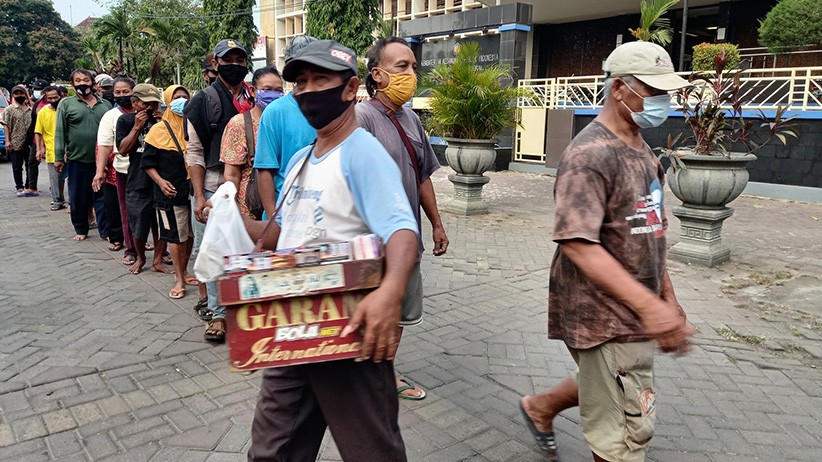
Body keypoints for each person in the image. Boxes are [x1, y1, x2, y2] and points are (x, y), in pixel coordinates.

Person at [242, 39, 418, 462]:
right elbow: (283, 233)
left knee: (372, 451)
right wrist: (233, 221)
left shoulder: (362, 153)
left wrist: (390, 294)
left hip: (349, 327)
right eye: (300, 81)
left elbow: (401, 230)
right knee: (272, 450)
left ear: (350, 87)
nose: (307, 90)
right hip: (293, 326)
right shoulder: (303, 158)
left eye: (320, 78)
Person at [519, 41, 695, 462]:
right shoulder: (589, 155)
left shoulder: (643, 152)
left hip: (632, 308)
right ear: (619, 88)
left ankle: (540, 407)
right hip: (602, 311)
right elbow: (579, 245)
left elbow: (651, 232)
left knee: (608, 380)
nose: (662, 102)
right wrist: (651, 309)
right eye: (653, 92)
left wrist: (668, 299)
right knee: (627, 434)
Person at [356, 37, 450, 401]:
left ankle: (384, 375)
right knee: (372, 310)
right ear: (377, 75)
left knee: (399, 314)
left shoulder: (411, 119)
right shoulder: (361, 119)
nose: (412, 74)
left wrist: (437, 223)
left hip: (408, 241)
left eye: (413, 67)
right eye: (402, 67)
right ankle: (367, 379)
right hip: (371, 245)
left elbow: (422, 174)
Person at [184, 38, 253, 343]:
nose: (235, 65)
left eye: (240, 60)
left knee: (246, 250)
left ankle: (245, 309)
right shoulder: (203, 101)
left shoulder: (254, 97)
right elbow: (195, 152)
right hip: (215, 188)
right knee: (214, 251)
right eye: (229, 60)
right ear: (215, 63)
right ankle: (217, 314)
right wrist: (200, 196)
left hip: (250, 188)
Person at [254, 35, 318, 218]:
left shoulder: (329, 109)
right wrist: (273, 217)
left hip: (321, 213)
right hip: (286, 214)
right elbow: (265, 169)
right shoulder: (275, 112)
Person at [142, 85, 196, 299]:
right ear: (167, 100)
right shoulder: (158, 130)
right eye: (176, 97)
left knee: (190, 234)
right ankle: (179, 279)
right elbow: (147, 163)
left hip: (191, 191)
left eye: (185, 97)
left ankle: (185, 270)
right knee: (175, 237)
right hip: (169, 193)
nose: (181, 101)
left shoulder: (192, 125)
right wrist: (161, 182)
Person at [116, 83, 170, 274]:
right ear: (135, 103)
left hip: (161, 181)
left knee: (162, 225)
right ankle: (140, 257)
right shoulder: (125, 121)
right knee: (138, 226)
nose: (150, 108)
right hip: (137, 181)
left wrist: (164, 123)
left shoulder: (163, 122)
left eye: (154, 104)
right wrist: (137, 128)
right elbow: (122, 150)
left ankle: (157, 260)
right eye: (145, 104)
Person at [54, 69, 112, 240]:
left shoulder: (105, 105)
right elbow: (60, 132)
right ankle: (81, 229)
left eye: (85, 80)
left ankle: (106, 231)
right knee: (79, 196)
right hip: (77, 159)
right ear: (72, 85)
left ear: (93, 83)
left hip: (102, 161)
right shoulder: (66, 104)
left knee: (102, 197)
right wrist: (58, 157)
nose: (82, 83)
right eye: (78, 80)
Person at [221, 66, 284, 219]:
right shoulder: (239, 124)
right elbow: (232, 174)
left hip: (283, 204)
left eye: (278, 90)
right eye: (267, 89)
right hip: (250, 208)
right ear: (253, 91)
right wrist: (233, 210)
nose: (273, 95)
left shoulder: (285, 122)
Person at [94, 76, 137, 261]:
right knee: (123, 209)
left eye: (125, 92)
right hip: (121, 169)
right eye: (117, 92)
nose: (121, 95)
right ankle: (130, 248)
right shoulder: (110, 117)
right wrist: (99, 171)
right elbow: (104, 145)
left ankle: (155, 247)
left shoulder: (147, 112)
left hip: (147, 170)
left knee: (149, 212)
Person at [34, 86, 67, 210]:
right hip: (52, 150)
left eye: (55, 97)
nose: (53, 100)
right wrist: (39, 148)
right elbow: (38, 131)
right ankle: (57, 201)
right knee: (55, 178)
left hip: (69, 150)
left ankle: (72, 202)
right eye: (50, 98)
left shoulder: (66, 109)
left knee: (69, 178)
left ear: (61, 96)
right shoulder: (43, 112)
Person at [4, 85, 33, 197]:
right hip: (15, 142)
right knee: (17, 166)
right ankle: (19, 187)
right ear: (13, 95)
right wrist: (7, 141)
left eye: (21, 93)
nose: (19, 96)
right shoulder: (9, 110)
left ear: (25, 95)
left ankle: (28, 186)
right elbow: (6, 125)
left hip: (29, 143)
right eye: (16, 94)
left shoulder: (31, 110)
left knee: (30, 166)